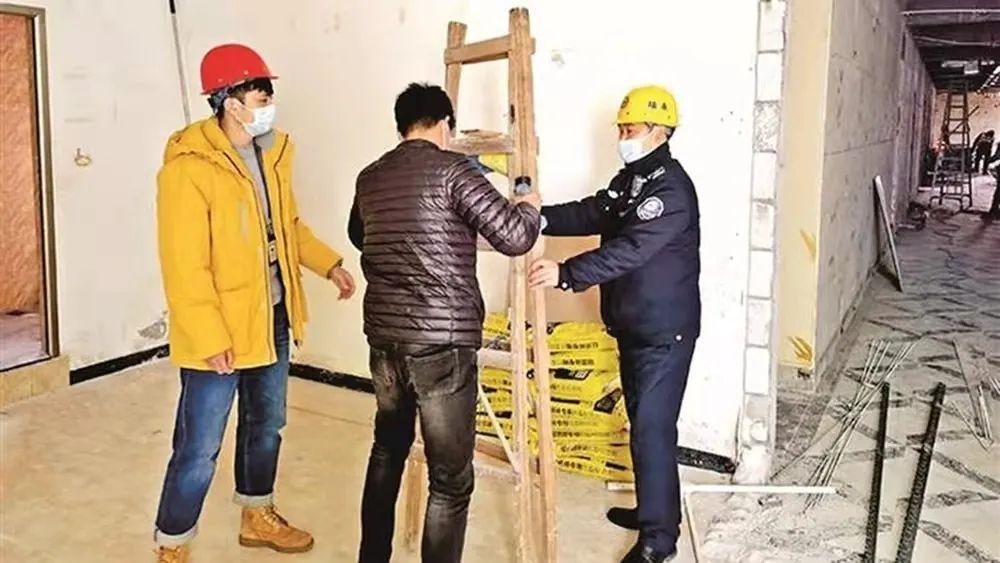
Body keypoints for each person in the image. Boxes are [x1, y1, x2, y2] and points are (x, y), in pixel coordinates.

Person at [153, 44, 356, 563]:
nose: (268, 105)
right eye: (259, 96)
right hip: (218, 330)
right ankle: (173, 544)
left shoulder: (272, 155)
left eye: (268, 95)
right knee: (199, 447)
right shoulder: (188, 169)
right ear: (229, 102)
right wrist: (209, 336)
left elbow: (287, 227)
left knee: (266, 426)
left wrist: (329, 264)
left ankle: (256, 515)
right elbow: (184, 264)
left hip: (272, 317)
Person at [348, 83, 541, 563]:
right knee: (450, 480)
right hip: (441, 346)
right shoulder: (455, 171)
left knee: (387, 451)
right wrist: (528, 203)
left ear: (402, 126)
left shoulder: (370, 176)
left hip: (385, 341)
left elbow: (359, 234)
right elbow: (515, 236)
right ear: (444, 125)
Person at [528, 85, 700, 563]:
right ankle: (652, 510)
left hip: (664, 332)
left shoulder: (670, 190)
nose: (624, 137)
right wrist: (540, 218)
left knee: (652, 429)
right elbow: (594, 211)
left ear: (660, 131)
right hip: (634, 326)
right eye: (621, 129)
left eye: (632, 129)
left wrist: (566, 274)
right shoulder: (633, 180)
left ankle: (659, 541)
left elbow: (632, 249)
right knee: (642, 425)